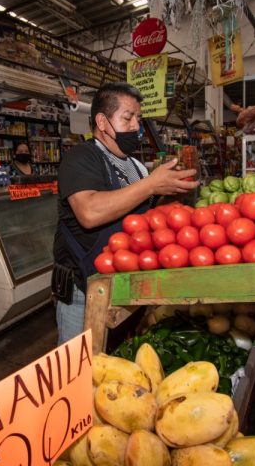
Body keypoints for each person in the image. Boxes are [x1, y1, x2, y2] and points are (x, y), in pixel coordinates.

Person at [52, 82, 198, 344]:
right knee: (79, 371)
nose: (136, 127)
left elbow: (144, 220)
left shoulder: (137, 167)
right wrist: (151, 184)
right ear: (102, 121)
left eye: (138, 119)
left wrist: (172, 194)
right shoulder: (81, 157)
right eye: (128, 118)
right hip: (83, 290)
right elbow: (89, 212)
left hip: (124, 283)